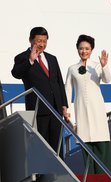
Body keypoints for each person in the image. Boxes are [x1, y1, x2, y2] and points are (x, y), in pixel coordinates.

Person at [11, 27, 68, 157]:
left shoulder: (52, 58)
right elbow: (16, 73)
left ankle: (59, 175)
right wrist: (30, 60)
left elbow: (59, 82)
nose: (42, 44)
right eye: (38, 41)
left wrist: (64, 105)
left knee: (57, 147)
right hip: (38, 109)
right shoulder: (22, 57)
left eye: (44, 41)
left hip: (56, 109)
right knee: (42, 147)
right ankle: (44, 176)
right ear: (31, 40)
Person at [64, 34, 111, 174]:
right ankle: (90, 179)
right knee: (85, 143)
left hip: (96, 109)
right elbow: (68, 90)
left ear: (91, 50)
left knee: (101, 142)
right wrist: (67, 111)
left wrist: (104, 66)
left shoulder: (97, 67)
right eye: (81, 48)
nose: (84, 51)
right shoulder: (72, 68)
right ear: (77, 50)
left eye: (87, 48)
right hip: (81, 110)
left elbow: (107, 79)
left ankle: (106, 178)